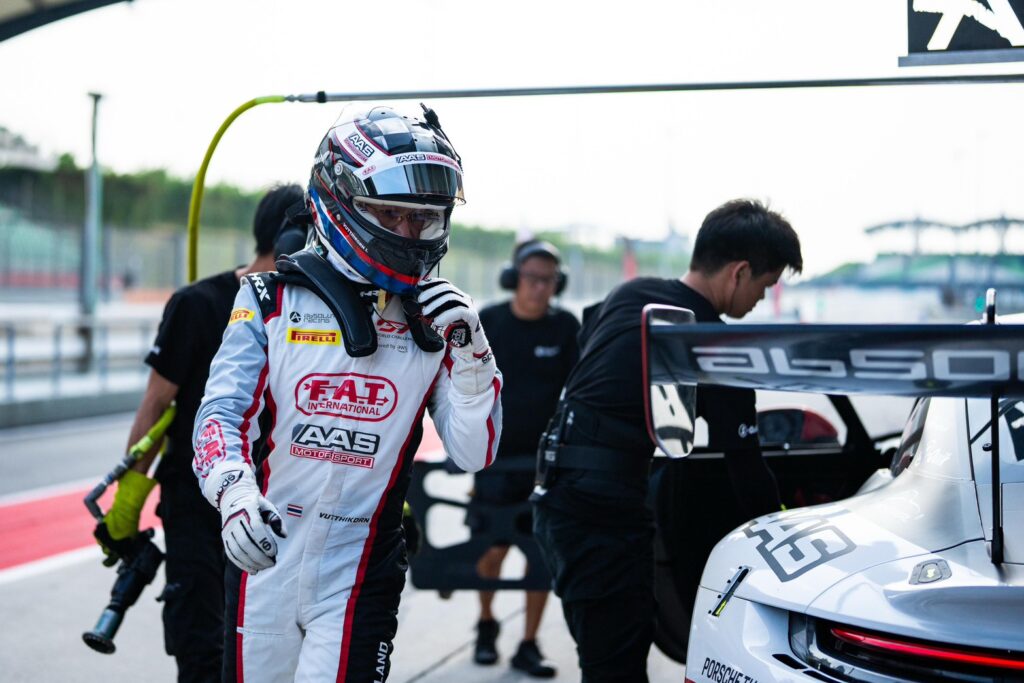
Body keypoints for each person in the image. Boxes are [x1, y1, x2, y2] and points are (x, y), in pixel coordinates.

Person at [192, 105, 502, 683]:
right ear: (339, 203)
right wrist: (235, 497)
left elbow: (473, 453)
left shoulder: (442, 321)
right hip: (266, 553)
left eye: (423, 218)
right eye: (392, 213)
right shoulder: (268, 299)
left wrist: (473, 356)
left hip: (361, 572)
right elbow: (220, 417)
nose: (408, 233)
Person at [531, 198, 803, 682]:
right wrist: (788, 539)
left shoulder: (632, 293)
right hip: (602, 514)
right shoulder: (712, 344)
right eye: (765, 285)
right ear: (739, 273)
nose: (761, 299)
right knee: (616, 670)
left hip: (555, 498)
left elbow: (593, 359)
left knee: (604, 655)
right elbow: (746, 470)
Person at [97, 183, 305, 682]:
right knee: (200, 648)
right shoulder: (196, 304)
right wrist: (128, 499)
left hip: (277, 504)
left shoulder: (311, 312)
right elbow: (156, 405)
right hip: (194, 504)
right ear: (291, 237)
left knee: (268, 651)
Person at [469, 239, 579, 678]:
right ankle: (486, 624)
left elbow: (579, 391)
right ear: (514, 278)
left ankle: (529, 644)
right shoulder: (489, 322)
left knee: (540, 556)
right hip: (494, 462)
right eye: (532, 277)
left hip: (544, 466)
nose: (539, 287)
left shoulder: (565, 327)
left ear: (558, 284)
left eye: (548, 280)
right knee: (491, 549)